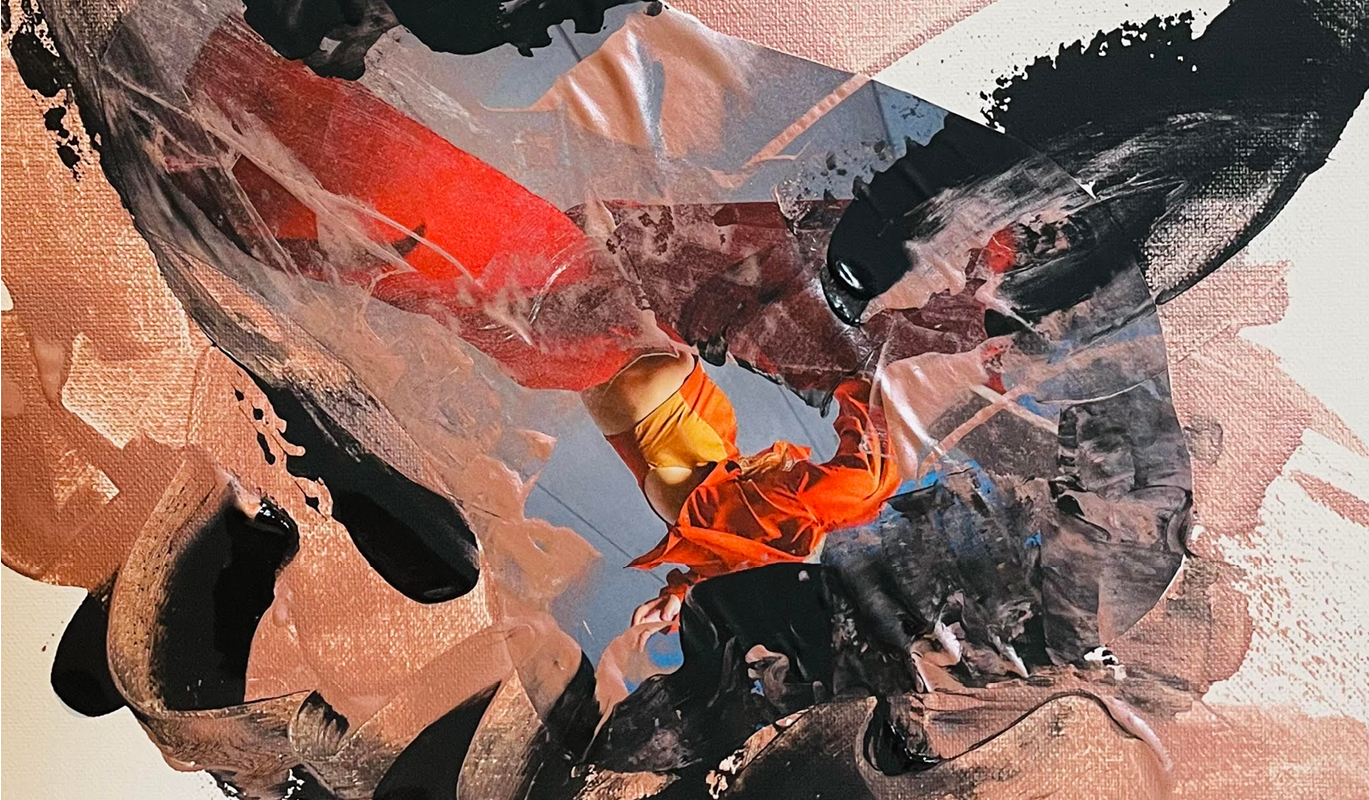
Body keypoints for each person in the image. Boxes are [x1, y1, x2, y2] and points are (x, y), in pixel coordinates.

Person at [185, 19, 902, 627]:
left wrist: (861, 375)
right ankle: (242, 148)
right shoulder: (734, 538)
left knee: (429, 213)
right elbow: (741, 559)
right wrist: (683, 590)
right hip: (565, 343)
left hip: (586, 326)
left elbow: (869, 478)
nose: (786, 465)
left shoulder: (780, 528)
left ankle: (250, 112)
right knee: (416, 248)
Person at [582, 349, 899, 626]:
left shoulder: (747, 559)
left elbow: (723, 572)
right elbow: (874, 471)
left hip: (624, 384)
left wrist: (681, 598)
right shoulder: (796, 522)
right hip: (655, 383)